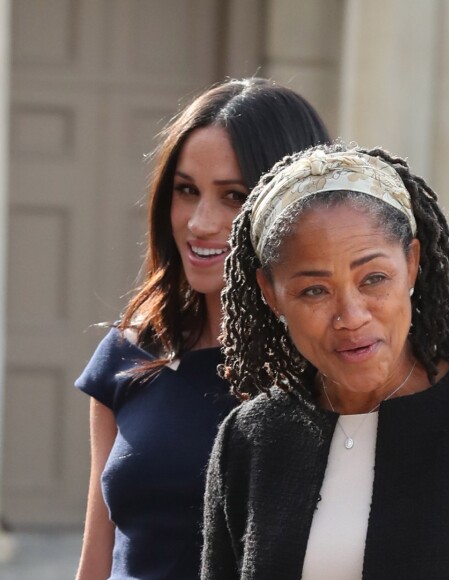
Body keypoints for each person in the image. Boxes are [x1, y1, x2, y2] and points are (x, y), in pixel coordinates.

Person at [202, 143, 449, 579]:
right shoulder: (248, 440)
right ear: (271, 293)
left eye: (374, 279)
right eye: (314, 290)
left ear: (412, 263)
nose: (351, 316)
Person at [74, 78, 330, 580]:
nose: (199, 222)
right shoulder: (128, 351)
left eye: (233, 196)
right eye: (186, 191)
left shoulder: (334, 370)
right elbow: (96, 564)